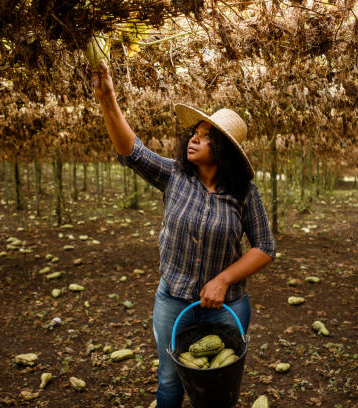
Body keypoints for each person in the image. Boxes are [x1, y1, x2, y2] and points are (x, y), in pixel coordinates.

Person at [91, 60, 275, 408]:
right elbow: (132, 151)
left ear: (222, 150)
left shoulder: (243, 193)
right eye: (195, 133)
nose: (194, 138)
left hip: (227, 307)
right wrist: (107, 99)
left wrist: (223, 279)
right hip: (174, 301)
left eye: (206, 137)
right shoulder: (175, 176)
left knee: (219, 388)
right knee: (170, 382)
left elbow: (265, 246)